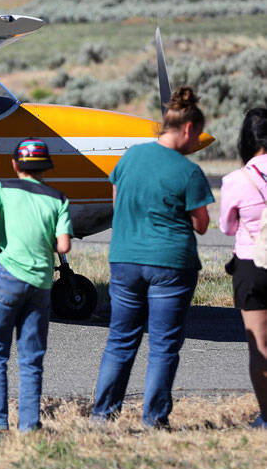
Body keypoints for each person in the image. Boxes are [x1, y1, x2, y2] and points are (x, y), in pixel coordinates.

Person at [91, 86, 213, 429]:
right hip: (172, 263)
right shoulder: (188, 172)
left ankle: (103, 415)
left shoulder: (130, 157)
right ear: (188, 129)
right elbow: (202, 224)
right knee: (164, 345)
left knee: (120, 339)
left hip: (126, 258)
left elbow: (117, 201)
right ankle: (154, 419)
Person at [0, 138, 72, 435]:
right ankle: (29, 426)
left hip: (8, 277)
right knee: (31, 357)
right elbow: (63, 244)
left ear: (15, 164)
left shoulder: (1, 189)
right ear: (47, 168)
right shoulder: (58, 199)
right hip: (41, 282)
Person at [219, 107, 267, 429]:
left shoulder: (237, 179)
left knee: (260, 348)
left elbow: (226, 226)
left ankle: (266, 416)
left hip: (253, 264)